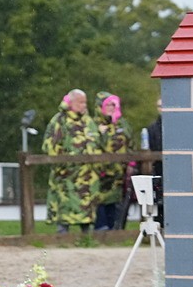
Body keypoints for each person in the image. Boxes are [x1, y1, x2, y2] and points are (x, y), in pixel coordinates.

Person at [41, 89, 101, 234]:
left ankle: (87, 236)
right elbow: (49, 145)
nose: (83, 105)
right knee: (64, 206)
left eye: (85, 102)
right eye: (80, 102)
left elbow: (96, 142)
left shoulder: (88, 121)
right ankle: (62, 235)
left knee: (86, 209)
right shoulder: (59, 120)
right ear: (71, 102)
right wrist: (63, 163)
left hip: (87, 176)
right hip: (66, 175)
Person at [93, 91, 134, 231]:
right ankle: (100, 232)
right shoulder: (93, 125)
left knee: (117, 205)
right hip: (100, 175)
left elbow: (131, 144)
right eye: (107, 104)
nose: (111, 107)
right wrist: (102, 133)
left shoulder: (123, 124)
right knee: (100, 204)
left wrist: (131, 163)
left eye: (113, 104)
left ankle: (117, 232)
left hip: (119, 175)